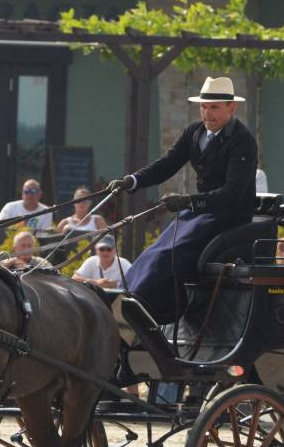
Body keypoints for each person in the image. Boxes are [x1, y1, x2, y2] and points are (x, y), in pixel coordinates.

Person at [107, 76, 258, 323]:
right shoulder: (194, 131)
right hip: (200, 213)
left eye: (214, 107)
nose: (207, 114)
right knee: (153, 251)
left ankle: (152, 313)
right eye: (204, 107)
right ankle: (126, 300)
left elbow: (232, 194)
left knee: (169, 255)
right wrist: (133, 181)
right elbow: (168, 163)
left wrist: (188, 202)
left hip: (230, 216)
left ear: (232, 108)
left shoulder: (243, 141)